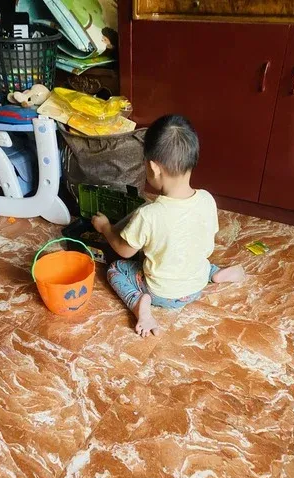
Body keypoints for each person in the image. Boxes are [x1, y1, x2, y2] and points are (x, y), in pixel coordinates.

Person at [92, 115, 245, 337]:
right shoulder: (206, 199)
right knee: (193, 254)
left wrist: (106, 227)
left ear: (153, 168)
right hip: (196, 282)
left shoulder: (149, 215)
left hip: (161, 292)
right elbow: (203, 238)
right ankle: (217, 274)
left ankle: (139, 304)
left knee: (115, 270)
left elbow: (125, 251)